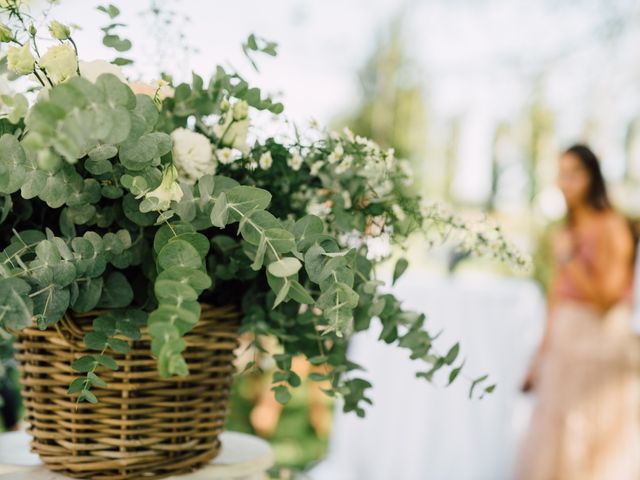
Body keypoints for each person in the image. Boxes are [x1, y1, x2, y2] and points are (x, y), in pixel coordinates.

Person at [516, 144, 640, 480]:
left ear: (593, 177)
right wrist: (539, 358)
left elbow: (607, 298)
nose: (565, 182)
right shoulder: (566, 230)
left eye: (574, 173)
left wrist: (570, 259)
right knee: (555, 440)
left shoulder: (612, 226)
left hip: (598, 348)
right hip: (564, 349)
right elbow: (557, 298)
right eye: (561, 173)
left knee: (591, 442)